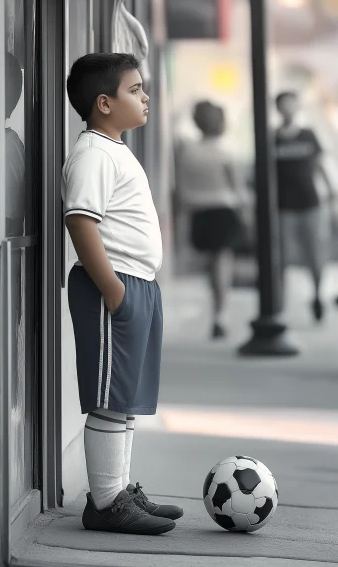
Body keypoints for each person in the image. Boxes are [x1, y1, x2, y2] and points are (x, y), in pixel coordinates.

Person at [62, 53, 183, 536]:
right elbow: (80, 221)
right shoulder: (92, 152)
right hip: (113, 285)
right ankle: (107, 503)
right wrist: (113, 291)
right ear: (105, 103)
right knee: (110, 399)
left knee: (126, 398)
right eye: (136, 89)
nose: (145, 96)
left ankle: (118, 490)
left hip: (135, 285)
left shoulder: (113, 148)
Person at [177, 100, 243, 339]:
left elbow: (182, 188)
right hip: (223, 210)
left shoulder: (188, 152)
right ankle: (220, 312)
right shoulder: (226, 151)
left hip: (199, 212)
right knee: (222, 263)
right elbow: (237, 189)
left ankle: (218, 309)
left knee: (212, 265)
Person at [275, 91, 333, 322]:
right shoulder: (273, 138)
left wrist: (330, 190)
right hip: (282, 207)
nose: (288, 108)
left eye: (292, 103)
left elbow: (320, 166)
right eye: (284, 104)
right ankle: (278, 304)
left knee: (315, 254)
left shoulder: (308, 136)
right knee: (281, 257)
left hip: (310, 203)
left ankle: (318, 295)